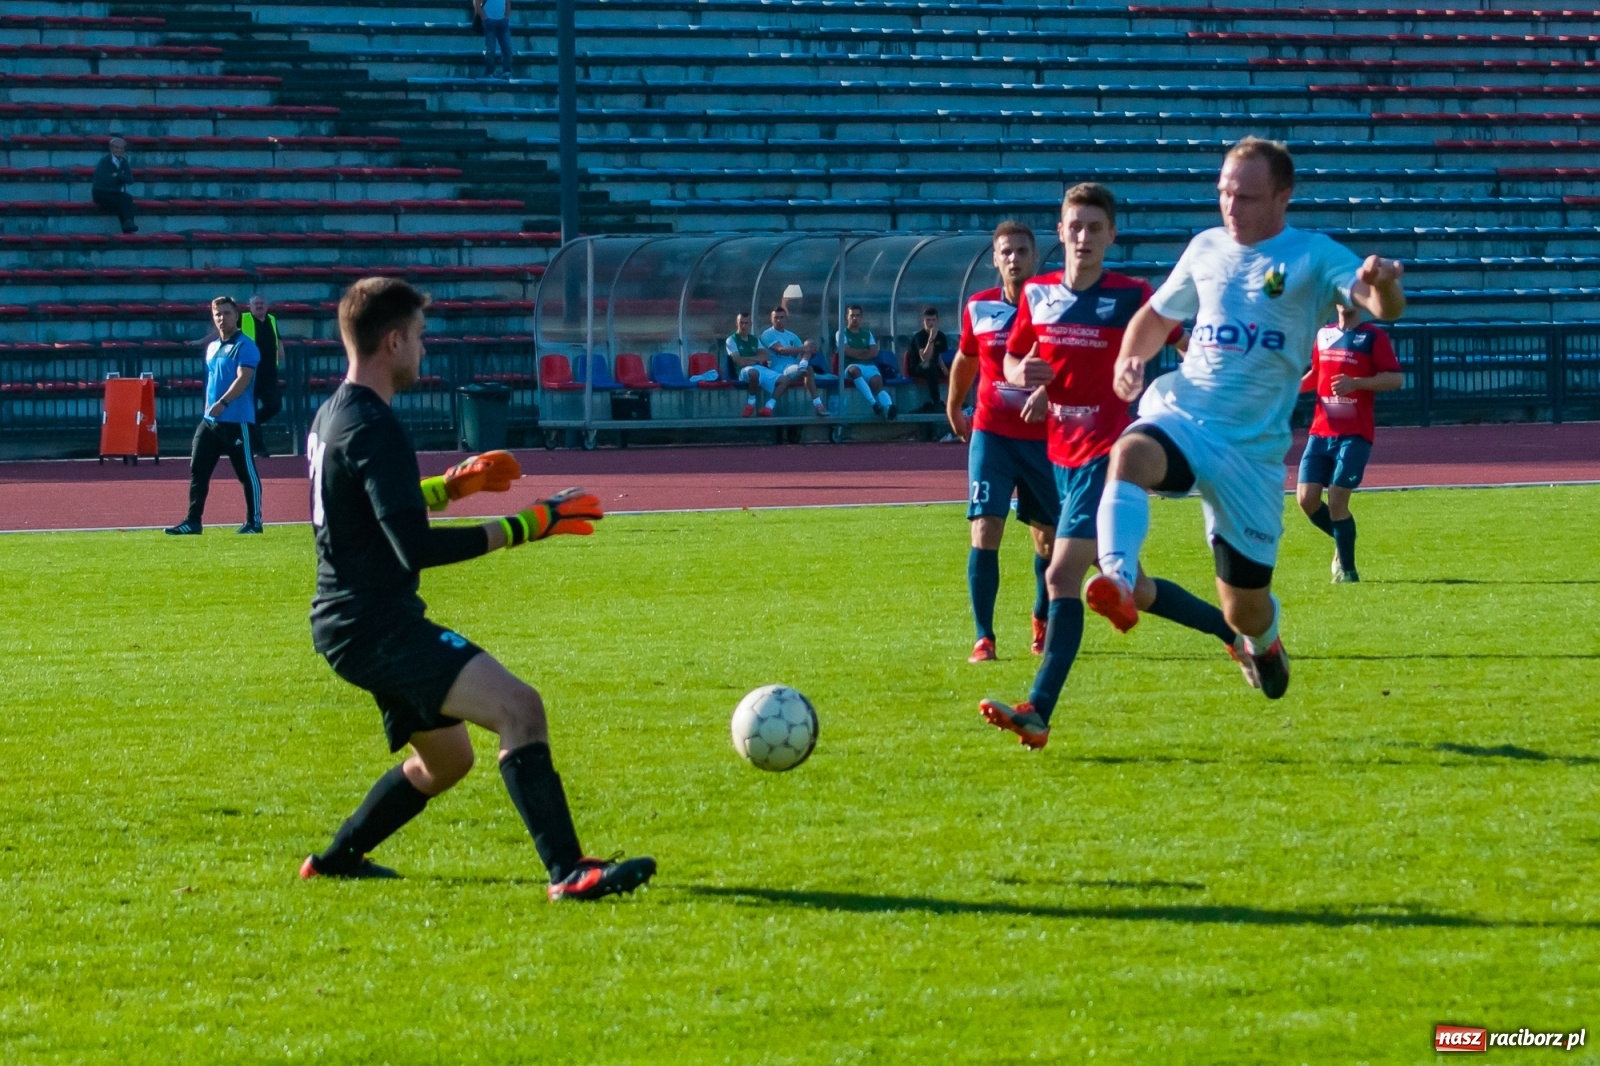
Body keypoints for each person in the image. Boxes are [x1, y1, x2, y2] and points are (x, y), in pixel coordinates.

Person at [299, 276, 655, 900]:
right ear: (392, 341)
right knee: (521, 709)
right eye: (419, 338)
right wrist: (528, 525)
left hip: (350, 619)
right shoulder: (375, 426)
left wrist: (450, 490)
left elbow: (370, 509)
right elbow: (415, 546)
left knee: (446, 762)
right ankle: (568, 873)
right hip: (374, 625)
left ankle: (332, 861)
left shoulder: (335, 413)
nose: (424, 351)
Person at [1087, 137, 1406, 700]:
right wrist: (1130, 358)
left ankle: (1265, 641)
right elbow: (1156, 317)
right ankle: (1115, 576)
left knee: (1243, 609)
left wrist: (1383, 285)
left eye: (1247, 197)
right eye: (1224, 193)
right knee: (1130, 454)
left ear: (1283, 197)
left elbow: (1381, 305)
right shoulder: (1206, 247)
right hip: (1186, 413)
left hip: (1251, 455)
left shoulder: (1312, 254)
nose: (1231, 207)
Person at [976, 184, 1244, 750]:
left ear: (1111, 235)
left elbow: (1186, 339)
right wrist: (1024, 372)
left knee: (1060, 574)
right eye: (1075, 226)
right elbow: (1012, 354)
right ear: (1061, 232)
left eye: (1095, 228)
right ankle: (1232, 630)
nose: (1083, 238)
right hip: (1061, 455)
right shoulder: (1037, 296)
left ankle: (1039, 710)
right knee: (1139, 589)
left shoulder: (1131, 296)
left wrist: (1178, 380)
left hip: (1112, 452)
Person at [947, 221, 1059, 664]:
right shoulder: (979, 307)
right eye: (1005, 252)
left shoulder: (1055, 306)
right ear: (995, 259)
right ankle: (984, 637)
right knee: (984, 529)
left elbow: (1075, 365)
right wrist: (955, 406)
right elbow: (966, 358)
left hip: (1044, 440)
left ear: (1034, 257)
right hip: (992, 435)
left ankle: (1041, 618)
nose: (1013, 258)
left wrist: (1049, 393)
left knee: (1048, 542)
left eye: (1021, 251)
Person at [1296, 305, 1403, 582]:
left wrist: (1356, 383)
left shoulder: (1372, 336)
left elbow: (1395, 378)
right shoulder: (1324, 335)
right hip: (1321, 431)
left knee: (1336, 500)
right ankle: (1342, 538)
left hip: (1354, 433)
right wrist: (1289, 388)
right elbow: (1316, 375)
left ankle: (1348, 571)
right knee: (1306, 500)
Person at [164, 297, 263, 535]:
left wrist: (224, 402)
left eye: (227, 313)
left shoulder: (245, 346)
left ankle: (254, 521)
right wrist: (212, 407)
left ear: (236, 315)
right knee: (198, 469)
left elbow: (243, 378)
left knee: (245, 472)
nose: (222, 318)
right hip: (210, 422)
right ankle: (193, 521)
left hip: (236, 420)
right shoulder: (212, 347)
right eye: (217, 314)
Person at [759, 306, 826, 417]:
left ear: (786, 319)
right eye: (776, 318)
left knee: (808, 343)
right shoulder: (767, 334)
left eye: (781, 317)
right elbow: (780, 350)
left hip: (793, 367)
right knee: (808, 368)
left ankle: (802, 366)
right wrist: (804, 349)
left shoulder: (792, 336)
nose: (779, 320)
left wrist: (811, 348)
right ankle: (818, 404)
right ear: (771, 319)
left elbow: (805, 350)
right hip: (779, 369)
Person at [241, 294, 284, 456]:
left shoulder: (272, 319)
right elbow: (222, 330)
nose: (259, 306)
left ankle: (253, 424)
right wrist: (203, 341)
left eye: (262, 303)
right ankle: (259, 448)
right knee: (250, 410)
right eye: (256, 303)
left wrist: (281, 347)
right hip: (249, 373)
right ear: (250, 306)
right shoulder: (243, 318)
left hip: (269, 374)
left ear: (266, 305)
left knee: (275, 405)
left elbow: (277, 338)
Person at [838, 305, 895, 419]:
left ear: (861, 317)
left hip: (868, 365)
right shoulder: (841, 333)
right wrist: (864, 351)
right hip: (850, 365)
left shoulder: (867, 333)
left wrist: (856, 352)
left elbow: (874, 352)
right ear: (847, 317)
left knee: (877, 382)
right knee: (855, 371)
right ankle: (874, 404)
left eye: (857, 315)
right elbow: (847, 352)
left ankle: (889, 407)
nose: (855, 318)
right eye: (852, 315)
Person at [726, 311, 782, 417]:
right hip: (743, 371)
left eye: (746, 323)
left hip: (758, 367)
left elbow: (765, 356)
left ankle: (769, 406)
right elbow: (740, 362)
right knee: (754, 373)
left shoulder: (754, 339)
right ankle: (751, 404)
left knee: (784, 380)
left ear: (750, 324)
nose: (743, 326)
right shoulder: (731, 340)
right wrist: (756, 359)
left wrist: (749, 358)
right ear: (736, 323)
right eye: (741, 323)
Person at [902, 307, 951, 412]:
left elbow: (938, 355)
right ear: (923, 322)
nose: (931, 323)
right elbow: (925, 357)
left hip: (933, 364)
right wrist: (931, 339)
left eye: (933, 320)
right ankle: (936, 401)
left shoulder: (941, 336)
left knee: (955, 368)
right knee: (930, 368)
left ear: (938, 321)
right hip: (918, 367)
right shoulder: (919, 337)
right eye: (928, 320)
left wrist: (944, 368)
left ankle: (955, 402)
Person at [92, 136, 137, 234]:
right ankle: (127, 226)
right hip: (101, 192)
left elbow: (130, 180)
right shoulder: (104, 161)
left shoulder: (123, 162)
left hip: (114, 192)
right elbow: (106, 180)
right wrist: (120, 176)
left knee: (127, 198)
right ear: (111, 148)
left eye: (121, 148)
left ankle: (128, 224)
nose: (119, 150)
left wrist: (118, 175)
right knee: (122, 201)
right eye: (116, 147)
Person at [474, 0, 514, 77]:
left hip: (502, 21)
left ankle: (507, 71)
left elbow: (507, 2)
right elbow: (476, 2)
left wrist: (506, 17)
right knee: (490, 50)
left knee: (507, 48)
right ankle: (490, 72)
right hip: (489, 21)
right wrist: (484, 17)